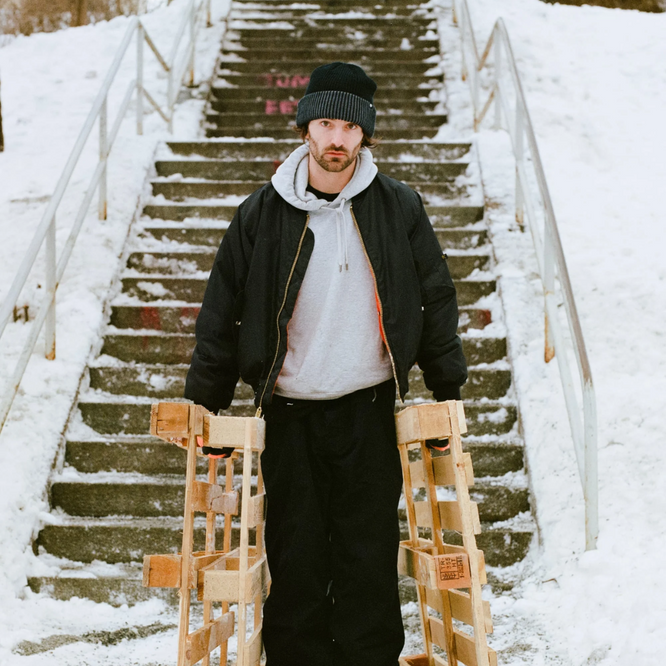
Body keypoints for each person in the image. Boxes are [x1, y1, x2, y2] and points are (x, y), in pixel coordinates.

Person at [184, 62, 468, 666]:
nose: (336, 139)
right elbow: (222, 306)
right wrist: (206, 404)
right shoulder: (260, 213)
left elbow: (434, 294)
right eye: (325, 123)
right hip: (288, 411)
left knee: (366, 557)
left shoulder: (398, 206)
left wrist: (447, 389)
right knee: (296, 555)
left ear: (366, 134)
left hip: (366, 407)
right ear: (306, 128)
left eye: (349, 127)